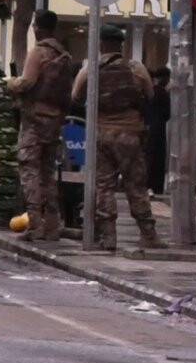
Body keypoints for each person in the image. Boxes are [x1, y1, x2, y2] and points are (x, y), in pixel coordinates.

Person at [71, 25, 167, 251]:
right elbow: (151, 95)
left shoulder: (90, 70)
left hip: (102, 134)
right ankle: (148, 233)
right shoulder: (136, 68)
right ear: (120, 45)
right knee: (136, 185)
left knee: (104, 185)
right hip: (130, 134)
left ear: (101, 44)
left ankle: (109, 237)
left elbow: (75, 97)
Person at [5, 10, 73, 242]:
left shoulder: (39, 53)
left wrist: (11, 83)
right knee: (47, 173)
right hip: (54, 122)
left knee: (29, 170)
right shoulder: (64, 55)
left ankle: (35, 224)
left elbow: (27, 83)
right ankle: (53, 225)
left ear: (37, 28)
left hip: (34, 120)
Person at [144, 66, 171, 195]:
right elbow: (167, 114)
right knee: (157, 159)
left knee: (148, 157)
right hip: (158, 130)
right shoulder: (163, 93)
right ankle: (155, 187)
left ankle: (147, 185)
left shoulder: (148, 93)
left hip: (147, 128)